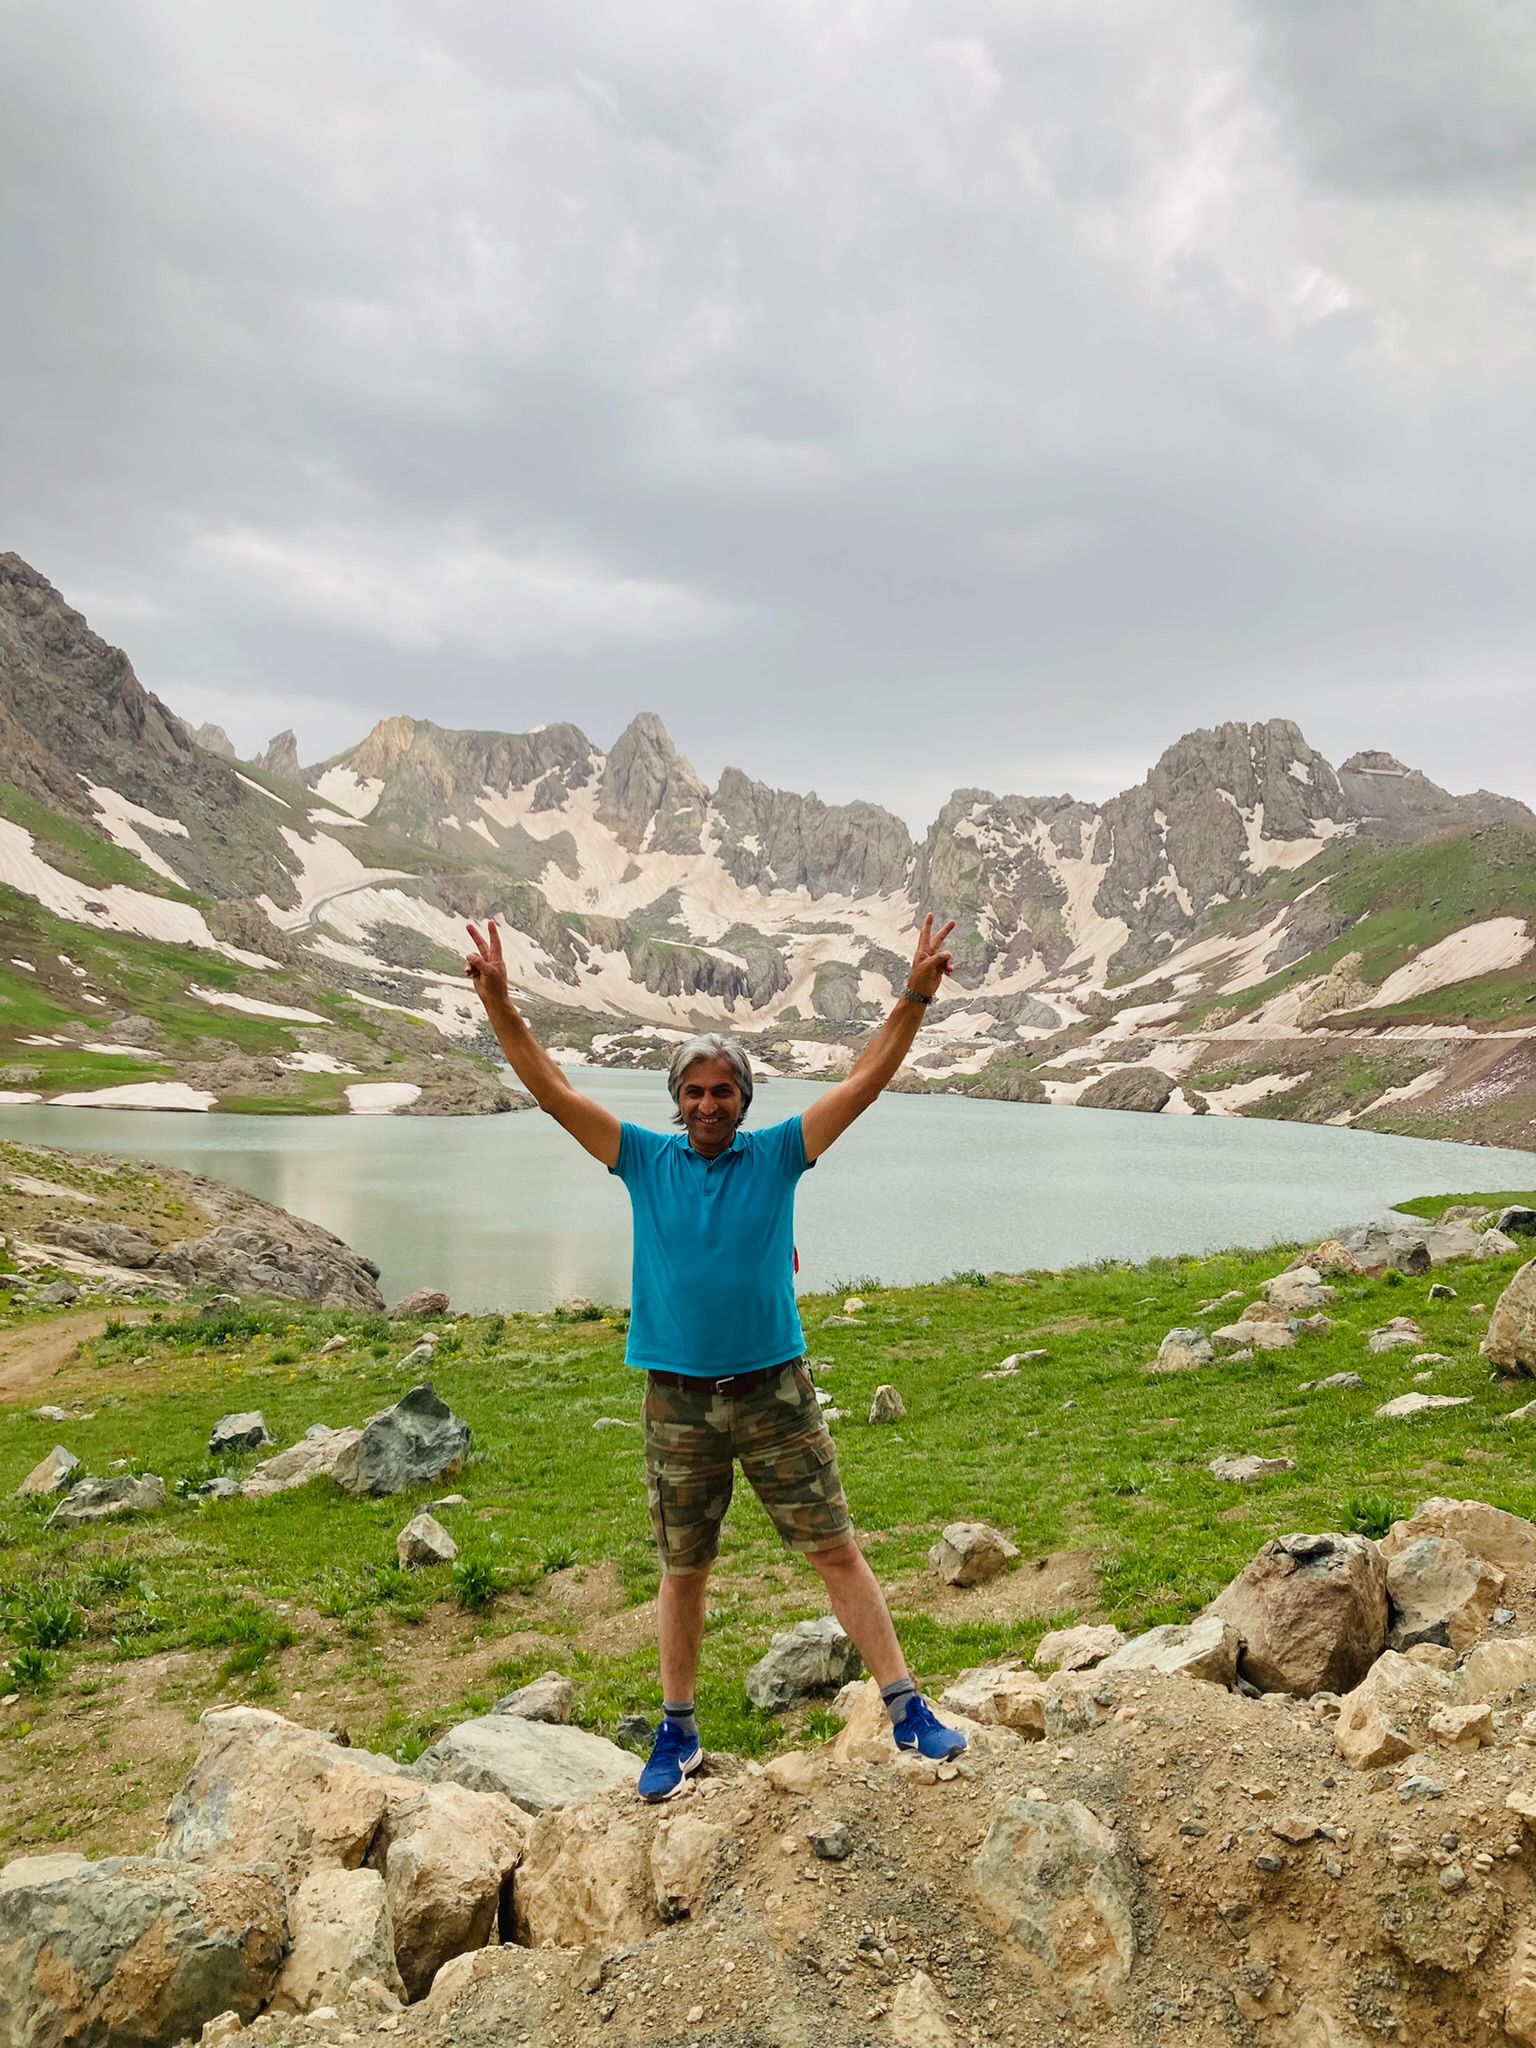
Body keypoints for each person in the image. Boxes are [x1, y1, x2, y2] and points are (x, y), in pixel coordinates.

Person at [464, 910, 968, 1801]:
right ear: (676, 1101)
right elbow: (548, 1089)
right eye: (693, 1093)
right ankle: (678, 1730)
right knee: (684, 1568)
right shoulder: (641, 1160)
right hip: (678, 1402)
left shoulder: (779, 1155)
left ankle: (905, 1707)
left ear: (744, 1100)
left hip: (776, 1390)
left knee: (835, 1549)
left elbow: (865, 1080)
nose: (706, 1105)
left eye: (722, 1092)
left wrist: (915, 995)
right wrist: (503, 1005)